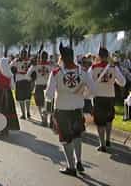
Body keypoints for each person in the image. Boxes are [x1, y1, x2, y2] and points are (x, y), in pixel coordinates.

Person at [45, 43, 95, 177]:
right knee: (77, 135)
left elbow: (49, 95)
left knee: (65, 138)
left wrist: (54, 94)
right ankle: (79, 161)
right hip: (78, 109)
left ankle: (71, 167)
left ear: (62, 57)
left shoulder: (56, 73)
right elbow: (92, 91)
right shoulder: (83, 71)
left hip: (62, 110)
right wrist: (82, 95)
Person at [89, 46, 126, 152]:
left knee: (100, 121)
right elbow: (122, 82)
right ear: (107, 56)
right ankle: (108, 139)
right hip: (110, 97)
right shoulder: (113, 68)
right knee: (109, 119)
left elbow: (88, 81)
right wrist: (113, 81)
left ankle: (102, 144)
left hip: (99, 97)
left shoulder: (94, 68)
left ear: (99, 56)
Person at [0, 51, 20, 135]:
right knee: (7, 111)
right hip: (7, 94)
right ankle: (6, 128)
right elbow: (13, 87)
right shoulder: (10, 74)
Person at [27, 50, 52, 125]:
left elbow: (28, 75)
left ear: (40, 57)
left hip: (39, 85)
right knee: (46, 104)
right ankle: (46, 119)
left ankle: (43, 119)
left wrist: (32, 78)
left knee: (40, 104)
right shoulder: (50, 65)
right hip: (47, 86)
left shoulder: (36, 65)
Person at [10, 47, 32, 119]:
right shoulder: (28, 61)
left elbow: (10, 67)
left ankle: (25, 114)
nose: (23, 55)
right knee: (26, 98)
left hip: (21, 80)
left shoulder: (16, 61)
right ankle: (27, 113)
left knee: (22, 98)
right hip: (26, 80)